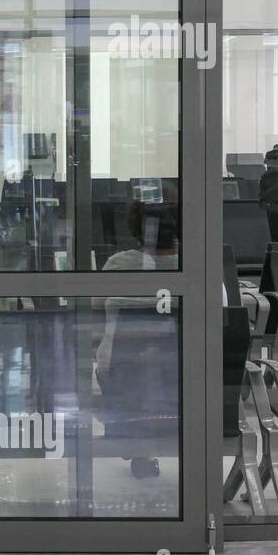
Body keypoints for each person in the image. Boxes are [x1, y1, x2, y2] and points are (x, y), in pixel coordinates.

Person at [95, 196, 180, 480]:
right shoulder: (201, 267)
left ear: (135, 228)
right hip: (185, 379)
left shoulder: (117, 265)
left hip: (123, 379)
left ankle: (140, 442)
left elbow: (97, 311)